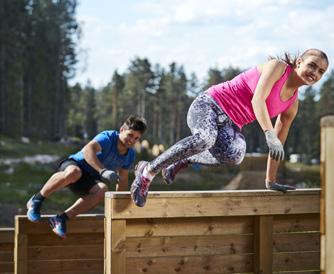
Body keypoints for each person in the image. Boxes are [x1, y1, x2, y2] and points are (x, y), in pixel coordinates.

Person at [130, 48, 329, 207]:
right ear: (299, 62)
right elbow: (258, 100)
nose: (315, 73)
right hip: (209, 105)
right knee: (205, 138)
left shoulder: (292, 104)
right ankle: (147, 172)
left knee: (235, 156)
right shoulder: (278, 67)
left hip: (231, 125)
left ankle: (182, 160)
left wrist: (270, 180)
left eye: (321, 72)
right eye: (312, 66)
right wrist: (269, 133)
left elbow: (278, 144)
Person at [26, 115, 147, 238]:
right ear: (122, 130)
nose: (132, 140)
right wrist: (102, 171)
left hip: (89, 178)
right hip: (75, 165)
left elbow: (123, 179)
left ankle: (60, 219)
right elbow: (88, 150)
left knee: (102, 190)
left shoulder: (130, 155)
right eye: (130, 135)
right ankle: (36, 200)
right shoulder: (108, 137)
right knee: (74, 172)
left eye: (136, 138)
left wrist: (118, 205)